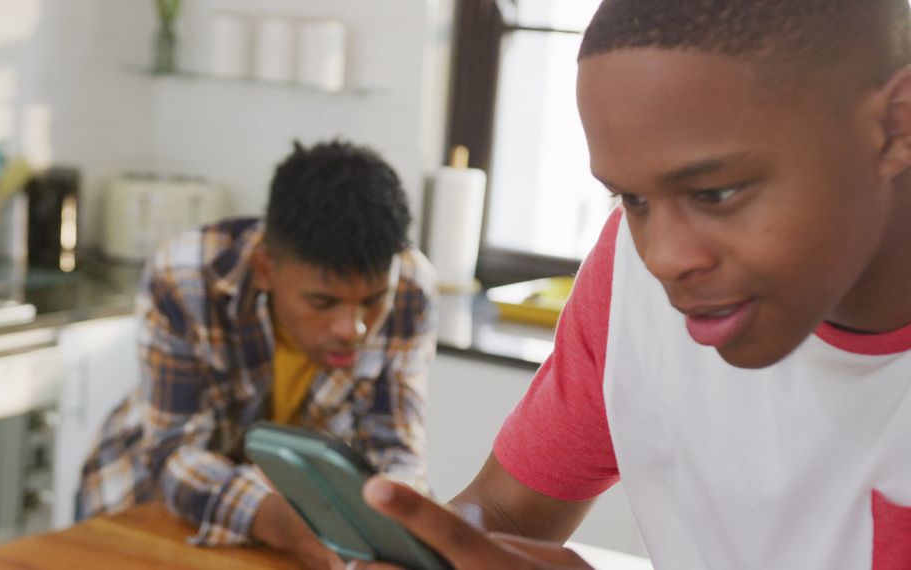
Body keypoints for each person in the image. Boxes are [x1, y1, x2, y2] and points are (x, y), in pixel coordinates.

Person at [359, 1, 911, 569]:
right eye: (633, 198)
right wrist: (438, 553)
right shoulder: (626, 270)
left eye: (716, 193)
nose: (663, 257)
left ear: (893, 124)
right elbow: (503, 512)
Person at [76, 140, 437, 568]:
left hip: (308, 522)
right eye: (323, 303)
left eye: (373, 300)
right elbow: (174, 454)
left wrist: (392, 525)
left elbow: (396, 450)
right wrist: (288, 526)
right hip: (149, 505)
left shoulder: (412, 288)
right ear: (266, 269)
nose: (352, 329)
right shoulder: (185, 274)